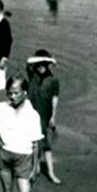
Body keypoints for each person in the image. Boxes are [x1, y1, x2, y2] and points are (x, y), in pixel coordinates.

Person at [27, 50, 62, 184]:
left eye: (44, 64)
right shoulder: (32, 75)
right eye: (39, 64)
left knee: (46, 144)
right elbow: (28, 61)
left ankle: (51, 173)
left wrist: (53, 116)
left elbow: (55, 99)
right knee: (33, 142)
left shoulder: (53, 80)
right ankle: (34, 168)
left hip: (45, 114)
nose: (41, 67)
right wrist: (42, 60)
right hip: (31, 113)